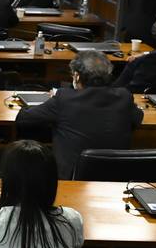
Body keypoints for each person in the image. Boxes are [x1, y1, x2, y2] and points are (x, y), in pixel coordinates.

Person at [16, 51, 144, 178]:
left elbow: (24, 118)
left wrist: (49, 103)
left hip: (72, 179)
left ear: (76, 76)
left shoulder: (64, 98)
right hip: (116, 179)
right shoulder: (124, 96)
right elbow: (138, 118)